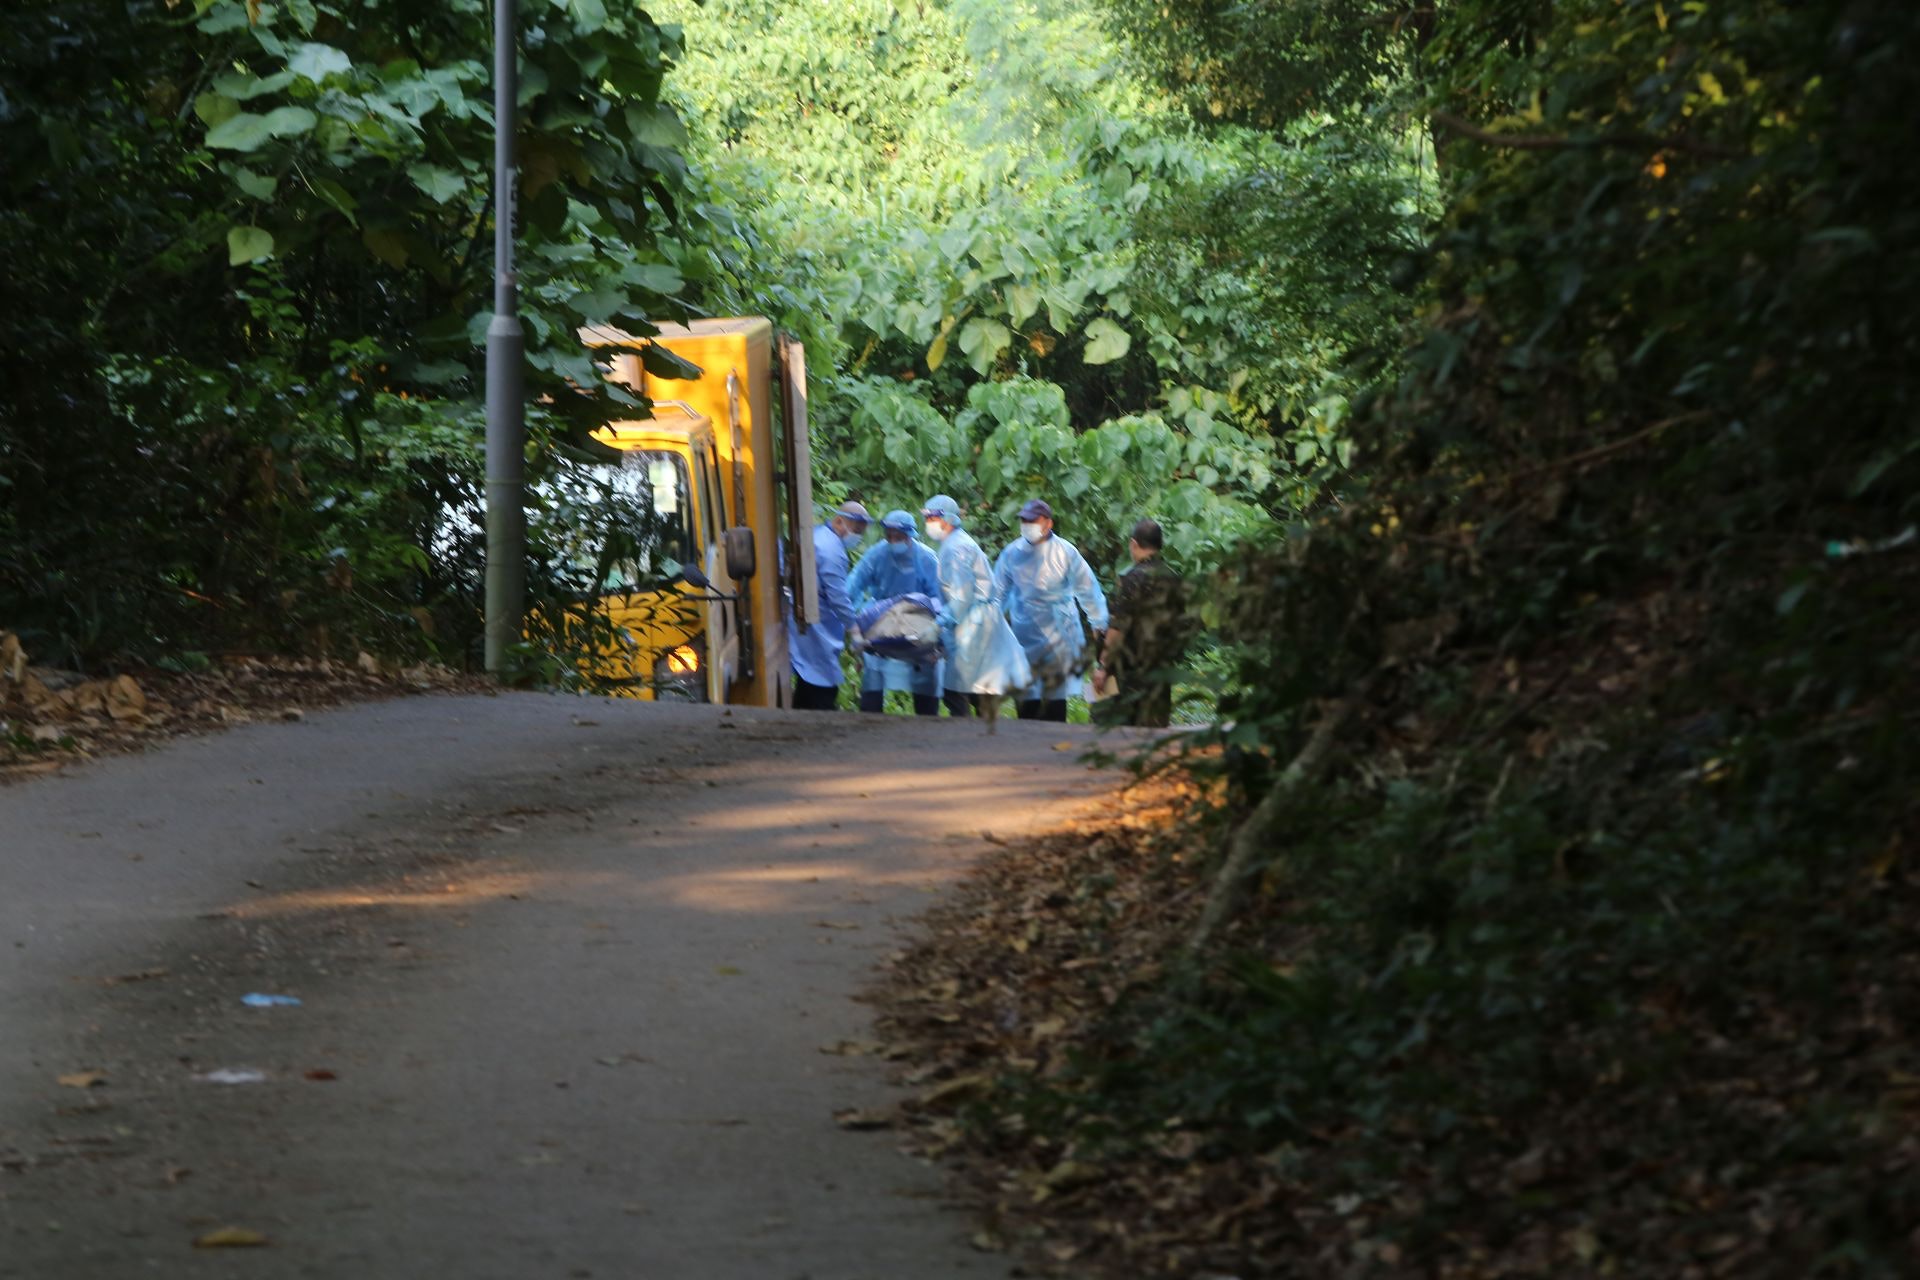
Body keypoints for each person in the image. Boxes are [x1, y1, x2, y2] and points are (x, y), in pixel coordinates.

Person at [993, 497, 1108, 721]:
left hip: (1058, 637)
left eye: (1032, 521)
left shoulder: (1065, 552)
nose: (1027, 525)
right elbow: (997, 593)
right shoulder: (1012, 553)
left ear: (1048, 523)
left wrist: (1099, 624)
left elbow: (1088, 590)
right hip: (1024, 636)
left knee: (1054, 705)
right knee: (1026, 703)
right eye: (1024, 521)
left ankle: (1054, 740)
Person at [922, 494, 1030, 727]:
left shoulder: (957, 548)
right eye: (927, 518)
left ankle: (971, 733)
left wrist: (939, 624)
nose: (929, 522)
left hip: (975, 621)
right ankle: (983, 730)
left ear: (948, 519)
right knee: (973, 686)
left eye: (933, 518)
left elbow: (962, 596)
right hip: (973, 619)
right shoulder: (954, 544)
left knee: (957, 688)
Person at [844, 509, 944, 716]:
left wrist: (939, 637)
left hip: (917, 622)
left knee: (925, 684)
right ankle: (870, 723)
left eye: (898, 536)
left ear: (910, 535)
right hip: (883, 621)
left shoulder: (926, 558)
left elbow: (939, 599)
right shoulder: (877, 554)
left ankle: (928, 723)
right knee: (873, 678)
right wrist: (853, 623)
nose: (893, 540)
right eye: (889, 535)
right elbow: (853, 586)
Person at [1093, 517, 1191, 728]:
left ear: (1133, 544)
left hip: (1129, 673)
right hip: (1160, 672)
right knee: (1154, 732)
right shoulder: (1173, 578)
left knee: (1117, 731)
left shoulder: (1133, 579)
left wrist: (1103, 666)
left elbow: (1117, 629)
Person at [787, 500, 870, 710]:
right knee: (821, 685)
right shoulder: (832, 550)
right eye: (856, 531)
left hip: (809, 620)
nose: (857, 537)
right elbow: (838, 597)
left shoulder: (818, 536)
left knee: (807, 682)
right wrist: (854, 629)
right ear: (839, 522)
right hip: (816, 625)